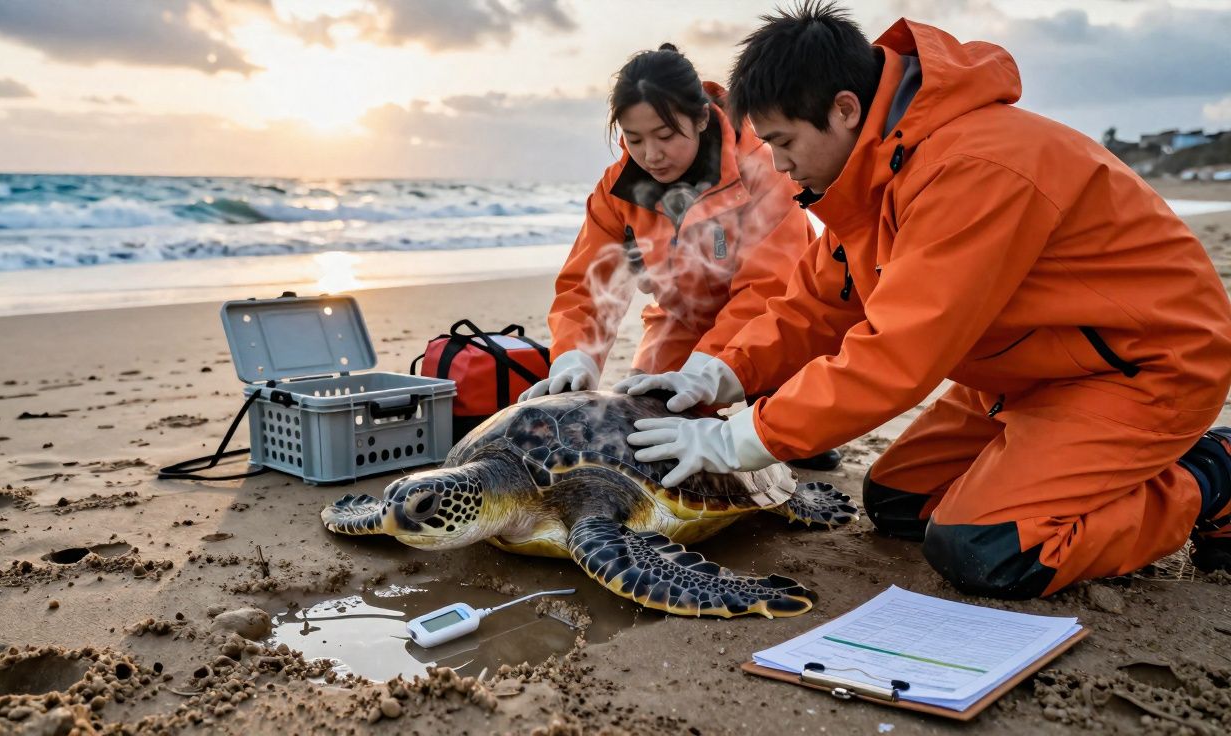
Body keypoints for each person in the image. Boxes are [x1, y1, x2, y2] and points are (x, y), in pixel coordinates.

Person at [619, 2, 1231, 598]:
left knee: (986, 548)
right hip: (1030, 370)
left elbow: (899, 352)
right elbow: (814, 308)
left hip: (1141, 368)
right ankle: (1055, 465)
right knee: (900, 502)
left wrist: (738, 440)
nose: (779, 165)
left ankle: (1209, 475)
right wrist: (722, 372)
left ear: (845, 109)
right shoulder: (869, 175)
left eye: (784, 142)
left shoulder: (975, 167)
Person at [519, 42, 841, 470]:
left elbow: (770, 291)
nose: (651, 155)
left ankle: (776, 398)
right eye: (635, 139)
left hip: (774, 318)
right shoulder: (616, 191)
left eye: (666, 136)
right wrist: (574, 357)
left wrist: (708, 370)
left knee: (795, 436)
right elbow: (588, 286)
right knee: (650, 417)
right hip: (679, 319)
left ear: (703, 118)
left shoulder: (764, 171)